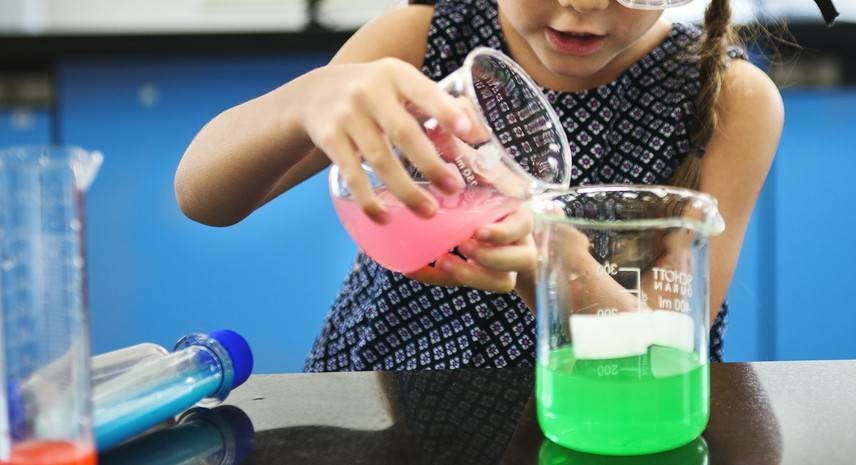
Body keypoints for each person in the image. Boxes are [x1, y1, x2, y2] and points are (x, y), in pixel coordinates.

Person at [175, 0, 784, 371]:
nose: (582, 4)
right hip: (378, 401)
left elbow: (667, 351)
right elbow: (205, 198)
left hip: (577, 430)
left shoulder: (731, 100)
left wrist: (554, 263)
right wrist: (303, 99)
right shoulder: (417, 39)